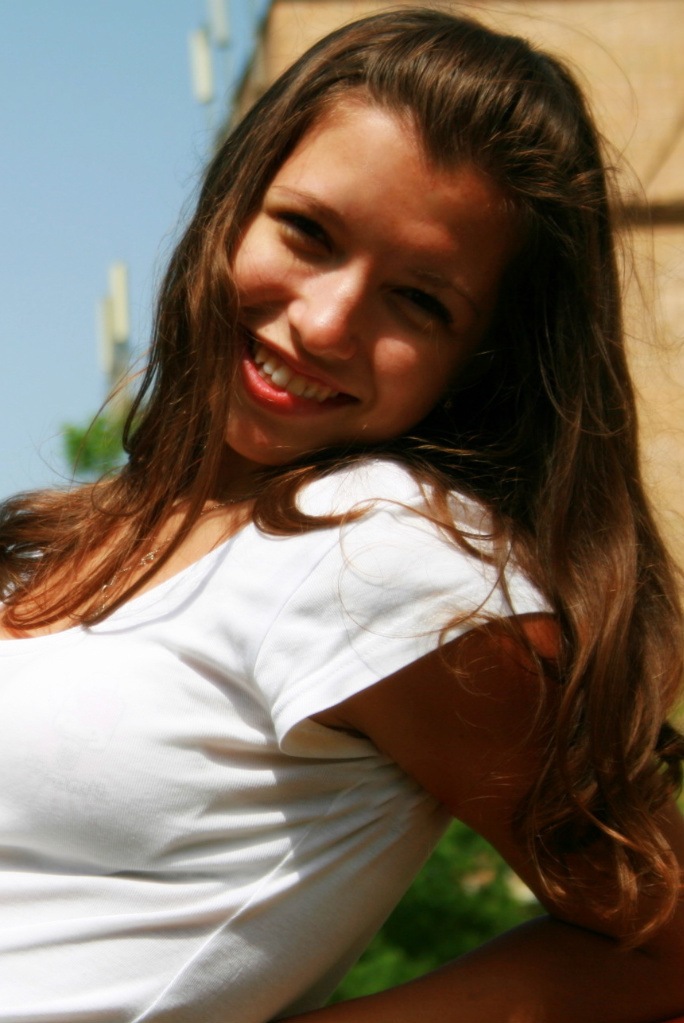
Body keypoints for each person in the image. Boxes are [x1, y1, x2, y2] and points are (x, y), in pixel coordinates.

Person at [0, 7, 683, 1022]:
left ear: (477, 362)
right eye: (309, 233)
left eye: (420, 302)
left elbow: (660, 948)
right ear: (233, 205)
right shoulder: (82, 530)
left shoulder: (383, 553)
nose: (325, 324)